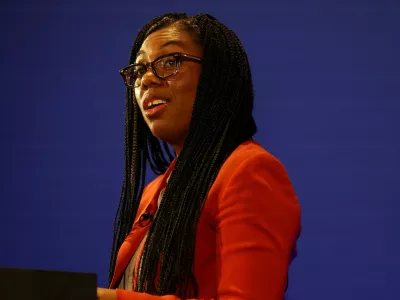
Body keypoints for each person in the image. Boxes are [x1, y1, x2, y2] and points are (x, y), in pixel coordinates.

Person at [97, 12, 301, 300]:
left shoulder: (250, 171)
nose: (146, 80)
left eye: (169, 62)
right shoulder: (153, 193)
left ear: (215, 78)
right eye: (139, 69)